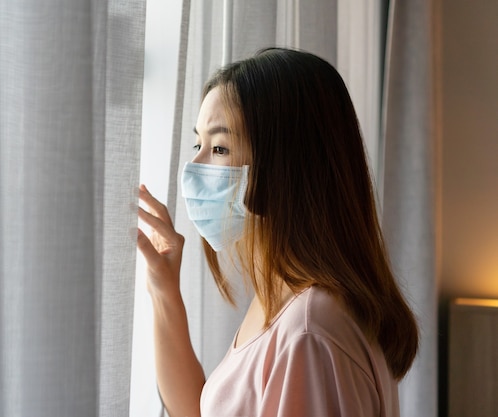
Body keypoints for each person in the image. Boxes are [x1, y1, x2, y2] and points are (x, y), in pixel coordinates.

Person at [137, 47, 419, 417]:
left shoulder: (309, 330)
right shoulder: (287, 303)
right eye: (198, 144)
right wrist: (165, 292)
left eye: (219, 147)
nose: (194, 166)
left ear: (286, 166)